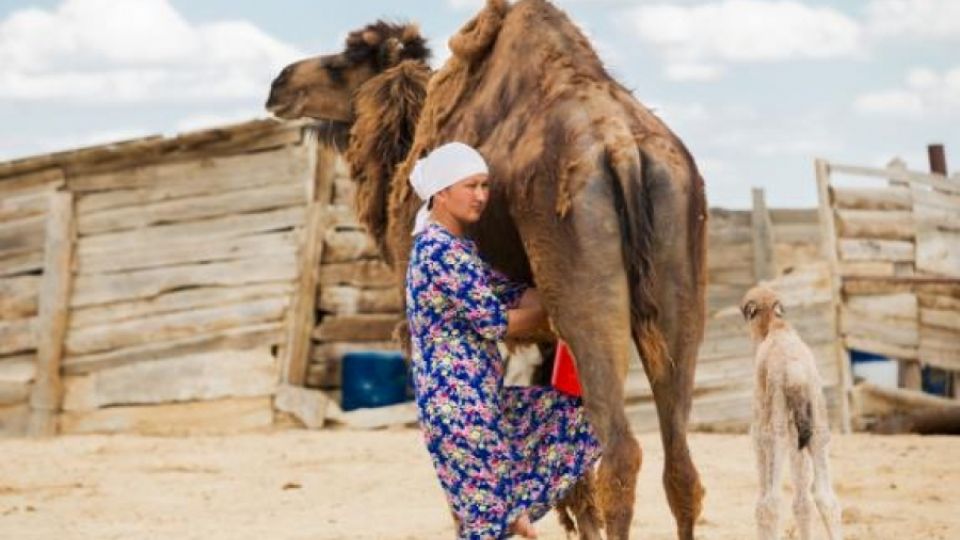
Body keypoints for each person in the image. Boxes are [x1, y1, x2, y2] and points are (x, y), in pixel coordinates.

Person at [405, 142, 601, 539]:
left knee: (578, 412)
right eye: (471, 186)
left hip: (483, 397)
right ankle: (511, 510)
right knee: (484, 527)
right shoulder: (437, 250)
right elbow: (495, 321)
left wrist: (561, 292)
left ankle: (513, 507)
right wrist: (556, 313)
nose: (481, 196)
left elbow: (509, 293)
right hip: (457, 404)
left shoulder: (461, 249)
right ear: (441, 192)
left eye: (485, 186)